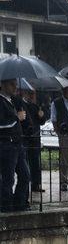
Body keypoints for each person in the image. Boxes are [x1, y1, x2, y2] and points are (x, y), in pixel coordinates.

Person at [0, 78, 30, 213]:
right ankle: (6, 206)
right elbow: (2, 123)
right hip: (7, 145)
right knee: (8, 177)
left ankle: (19, 203)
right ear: (3, 85)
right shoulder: (1, 101)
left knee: (25, 175)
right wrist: (16, 117)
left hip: (18, 144)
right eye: (12, 84)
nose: (15, 87)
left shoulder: (12, 100)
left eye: (15, 84)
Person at [22, 88, 48, 193]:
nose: (32, 96)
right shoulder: (22, 105)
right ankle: (25, 186)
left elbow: (42, 121)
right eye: (30, 93)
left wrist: (42, 115)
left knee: (36, 163)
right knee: (24, 163)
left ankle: (36, 184)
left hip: (35, 138)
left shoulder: (35, 106)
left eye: (34, 94)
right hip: (25, 138)